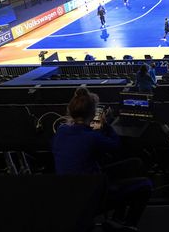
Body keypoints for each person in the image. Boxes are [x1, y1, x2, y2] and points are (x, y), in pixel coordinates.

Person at [52, 88, 151, 228]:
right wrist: (105, 125)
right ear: (92, 113)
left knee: (134, 164)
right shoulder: (92, 137)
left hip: (70, 192)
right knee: (145, 185)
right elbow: (115, 145)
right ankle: (129, 226)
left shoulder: (61, 131)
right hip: (90, 195)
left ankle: (117, 220)